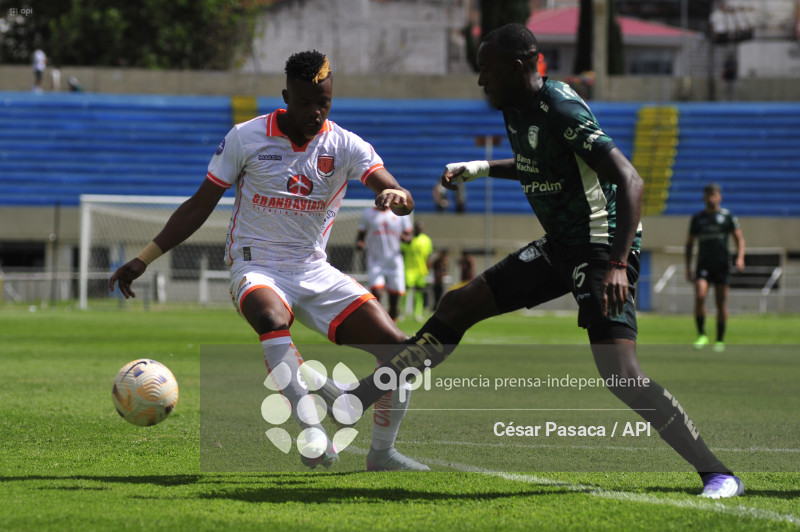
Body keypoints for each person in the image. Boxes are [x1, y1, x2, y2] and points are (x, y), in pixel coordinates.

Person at [325, 24, 744, 499]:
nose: (481, 81)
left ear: (520, 66)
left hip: (600, 247)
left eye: (487, 70)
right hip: (560, 245)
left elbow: (630, 180)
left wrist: (617, 265)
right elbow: (537, 164)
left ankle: (718, 473)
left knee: (620, 374)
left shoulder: (561, 108)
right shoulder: (515, 106)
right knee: (458, 305)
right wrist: (481, 167)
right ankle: (357, 398)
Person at [109, 50, 429, 472]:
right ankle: (312, 427)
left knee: (402, 354)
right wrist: (144, 257)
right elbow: (199, 205)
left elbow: (393, 189)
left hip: (313, 269)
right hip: (255, 264)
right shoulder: (246, 136)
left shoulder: (346, 145)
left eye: (324, 103)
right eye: (304, 102)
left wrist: (397, 196)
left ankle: (382, 453)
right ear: (285, 96)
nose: (315, 112)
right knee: (271, 317)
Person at [685, 183, 745, 352]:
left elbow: (739, 239)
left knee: (721, 302)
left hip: (722, 265)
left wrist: (740, 258)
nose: (711, 198)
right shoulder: (698, 219)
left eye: (714, 195)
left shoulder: (727, 217)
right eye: (708, 195)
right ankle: (702, 334)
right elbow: (689, 244)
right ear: (704, 198)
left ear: (719, 197)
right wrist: (688, 267)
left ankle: (719, 339)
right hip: (703, 265)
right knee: (700, 295)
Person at [356, 204, 413, 321]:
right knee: (377, 293)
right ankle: (379, 323)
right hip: (375, 261)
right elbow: (361, 235)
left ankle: (393, 325)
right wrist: (359, 243)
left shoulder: (399, 213)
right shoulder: (368, 213)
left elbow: (409, 235)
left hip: (394, 262)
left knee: (394, 299)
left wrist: (406, 238)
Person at [403, 220, 433, 321]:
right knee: (405, 291)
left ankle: (418, 314)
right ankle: (402, 313)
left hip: (421, 270)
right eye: (417, 227)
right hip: (408, 269)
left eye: (420, 227)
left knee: (419, 292)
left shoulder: (426, 240)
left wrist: (429, 270)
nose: (419, 229)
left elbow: (428, 256)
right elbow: (402, 252)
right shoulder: (408, 239)